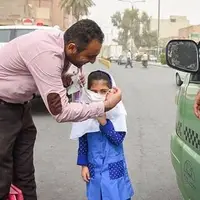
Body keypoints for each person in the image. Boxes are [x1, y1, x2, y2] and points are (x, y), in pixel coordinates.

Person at [0, 19, 122, 200]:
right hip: (3, 109)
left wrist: (66, 78)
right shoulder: (47, 54)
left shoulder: (62, 42)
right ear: (72, 48)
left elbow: (56, 76)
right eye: (89, 56)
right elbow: (61, 113)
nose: (93, 61)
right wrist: (105, 106)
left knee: (24, 172)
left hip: (21, 107)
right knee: (2, 174)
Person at [71, 70, 134, 200]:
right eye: (94, 91)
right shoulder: (86, 113)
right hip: (94, 167)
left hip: (114, 167)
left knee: (116, 194)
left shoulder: (118, 113)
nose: (98, 95)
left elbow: (117, 139)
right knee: (96, 194)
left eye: (103, 91)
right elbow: (83, 141)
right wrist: (84, 165)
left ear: (111, 91)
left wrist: (103, 121)